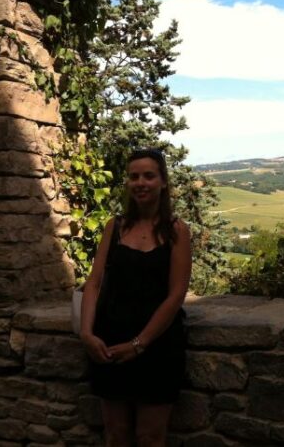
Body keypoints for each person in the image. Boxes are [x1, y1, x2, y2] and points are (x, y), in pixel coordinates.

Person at [79, 148, 191, 447]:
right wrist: (87, 333)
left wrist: (139, 344)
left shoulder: (176, 231)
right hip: (110, 342)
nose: (140, 183)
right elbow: (94, 283)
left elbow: (176, 295)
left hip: (157, 345)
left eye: (148, 176)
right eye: (134, 176)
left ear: (163, 182)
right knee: (116, 435)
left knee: (150, 437)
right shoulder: (115, 227)